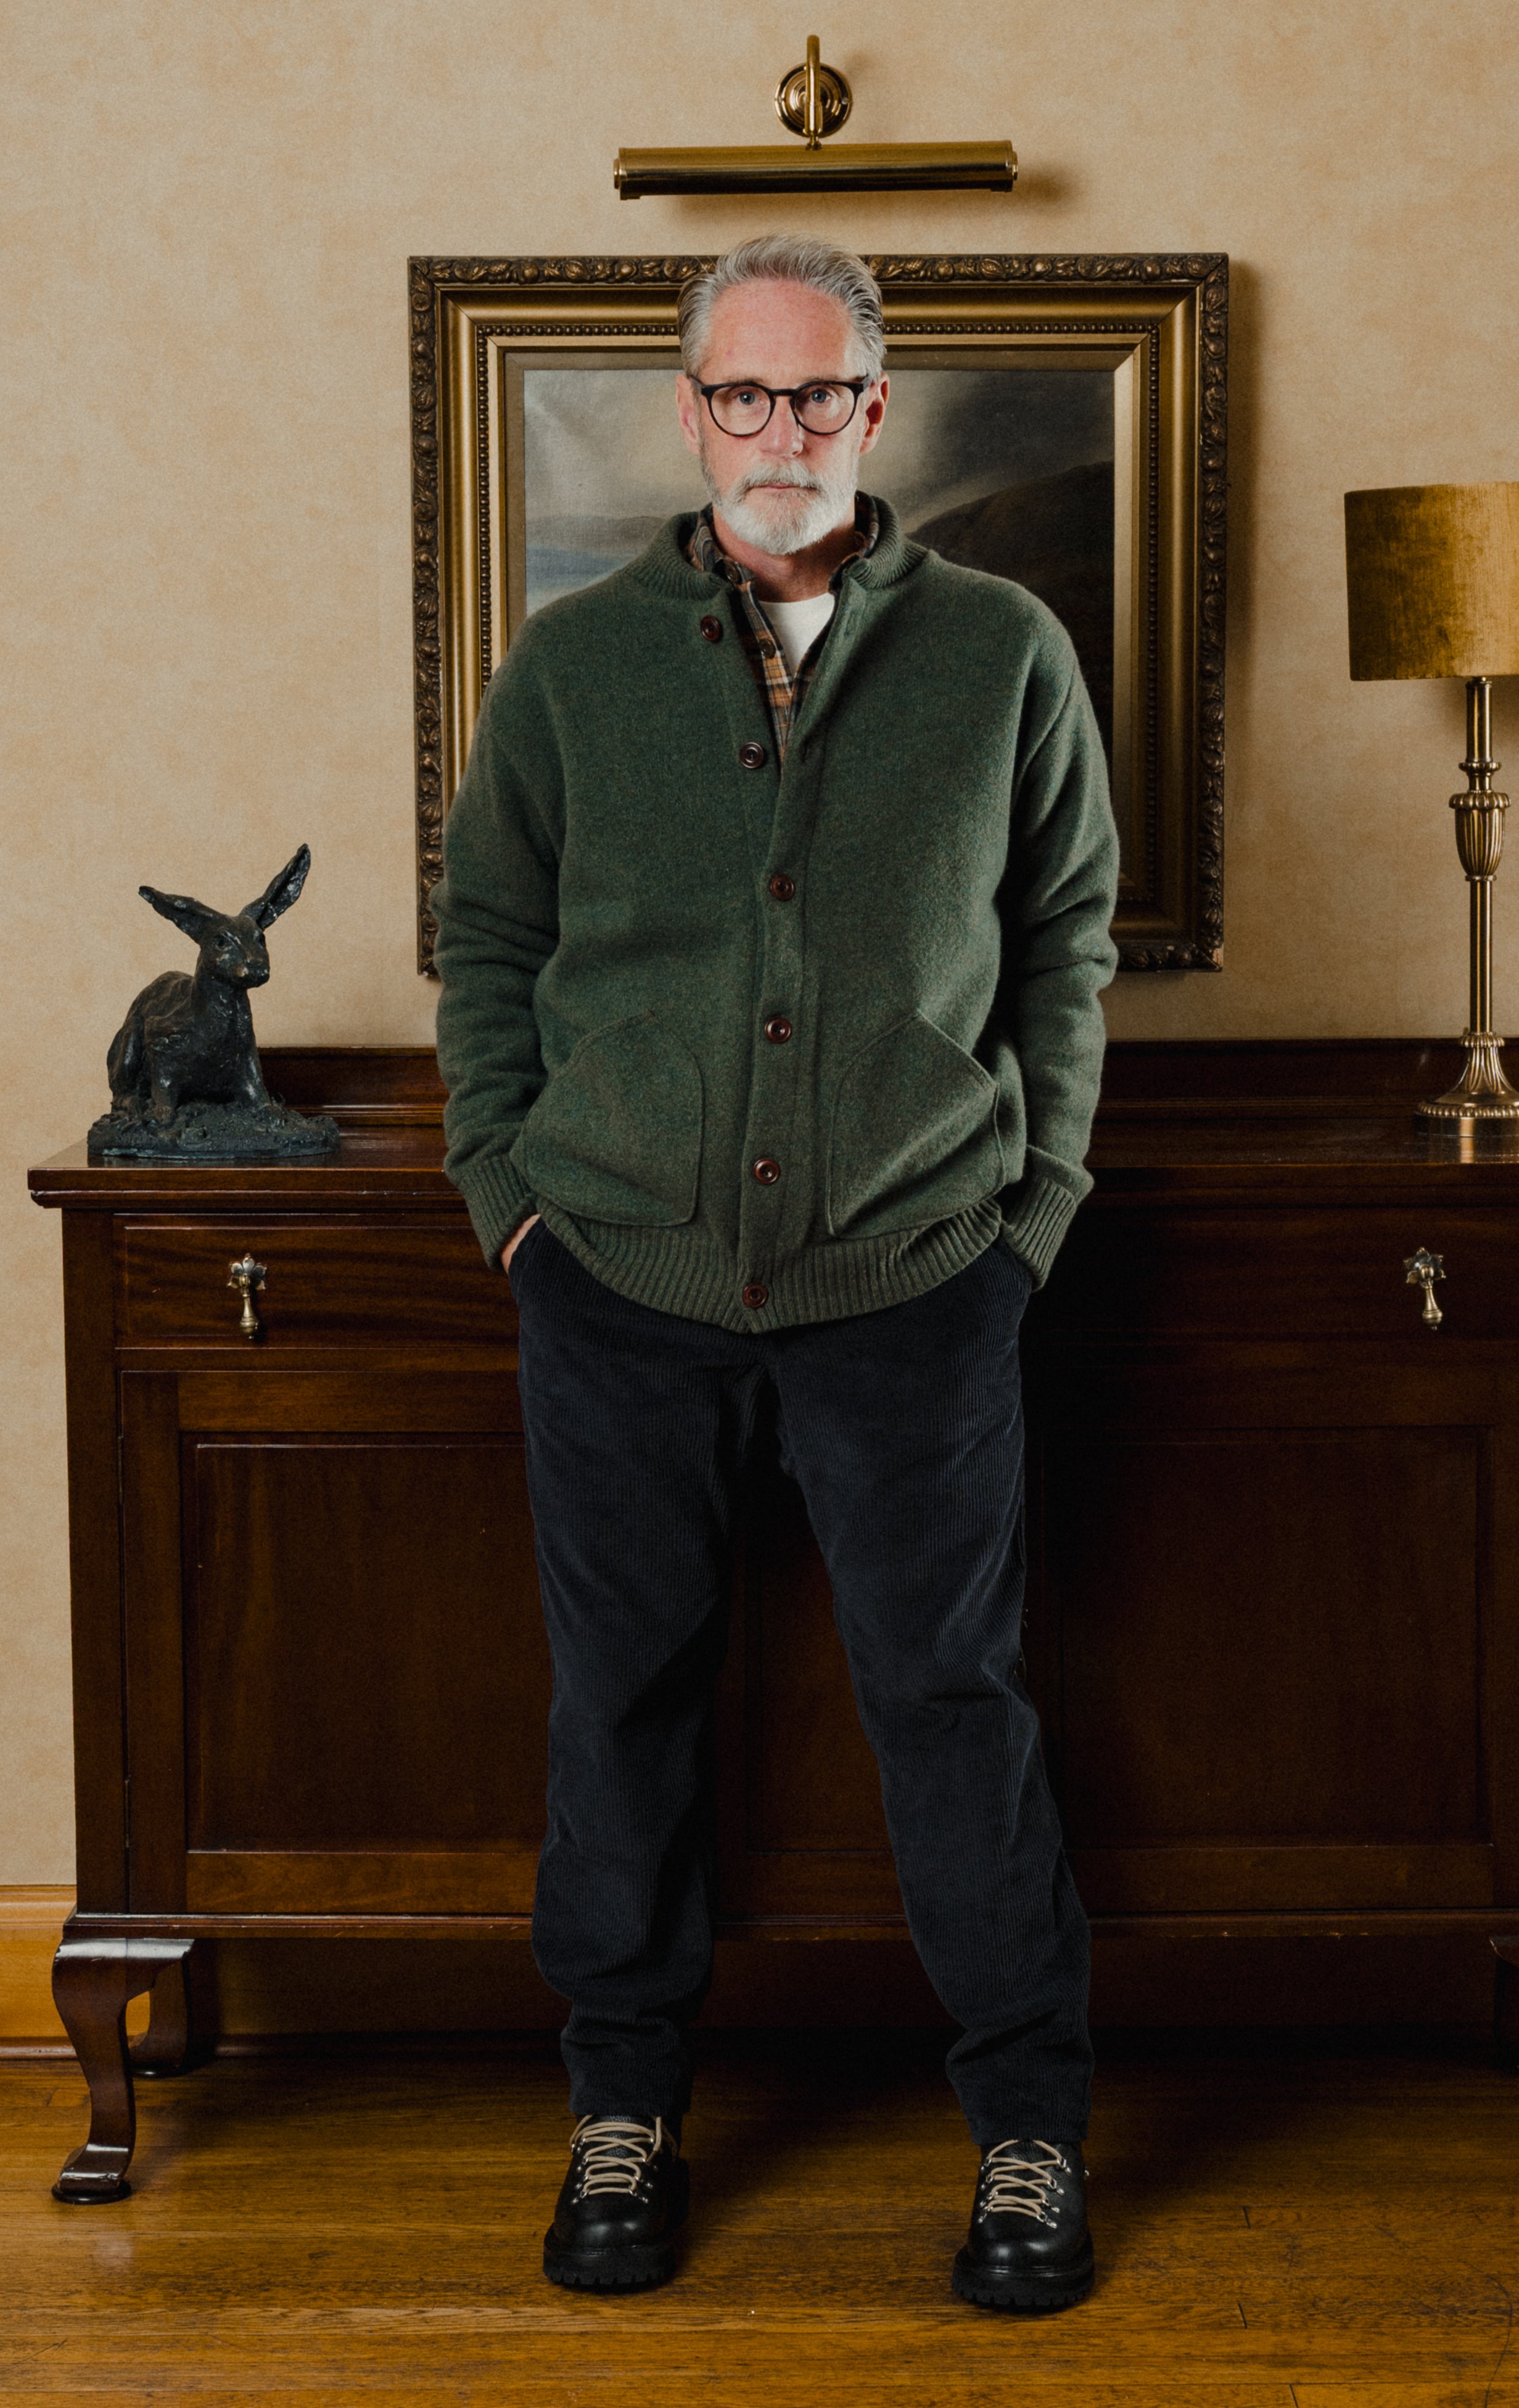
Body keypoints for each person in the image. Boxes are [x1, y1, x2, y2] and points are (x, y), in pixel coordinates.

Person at [432, 234, 1119, 2311]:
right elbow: (484, 950)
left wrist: (1033, 1218)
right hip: (615, 1274)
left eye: (818, 397)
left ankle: (1025, 2137)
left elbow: (1066, 945)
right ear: (690, 410)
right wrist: (508, 1203)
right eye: (743, 395)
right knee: (620, 1706)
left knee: (951, 1702)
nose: (779, 434)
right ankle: (619, 2104)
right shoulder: (567, 665)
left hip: (918, 1277)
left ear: (873, 413)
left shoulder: (1004, 653)